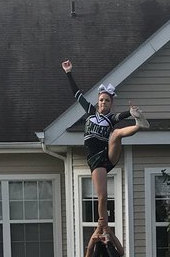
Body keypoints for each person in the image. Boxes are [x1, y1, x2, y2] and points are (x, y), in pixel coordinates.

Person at [62, 59, 149, 228]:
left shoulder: (110, 118)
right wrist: (69, 73)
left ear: (111, 104)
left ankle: (140, 125)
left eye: (107, 101)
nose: (103, 103)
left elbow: (120, 117)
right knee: (102, 195)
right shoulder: (90, 112)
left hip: (107, 156)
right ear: (97, 102)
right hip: (95, 160)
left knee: (116, 134)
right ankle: (103, 224)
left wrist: (131, 113)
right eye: (101, 100)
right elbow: (76, 94)